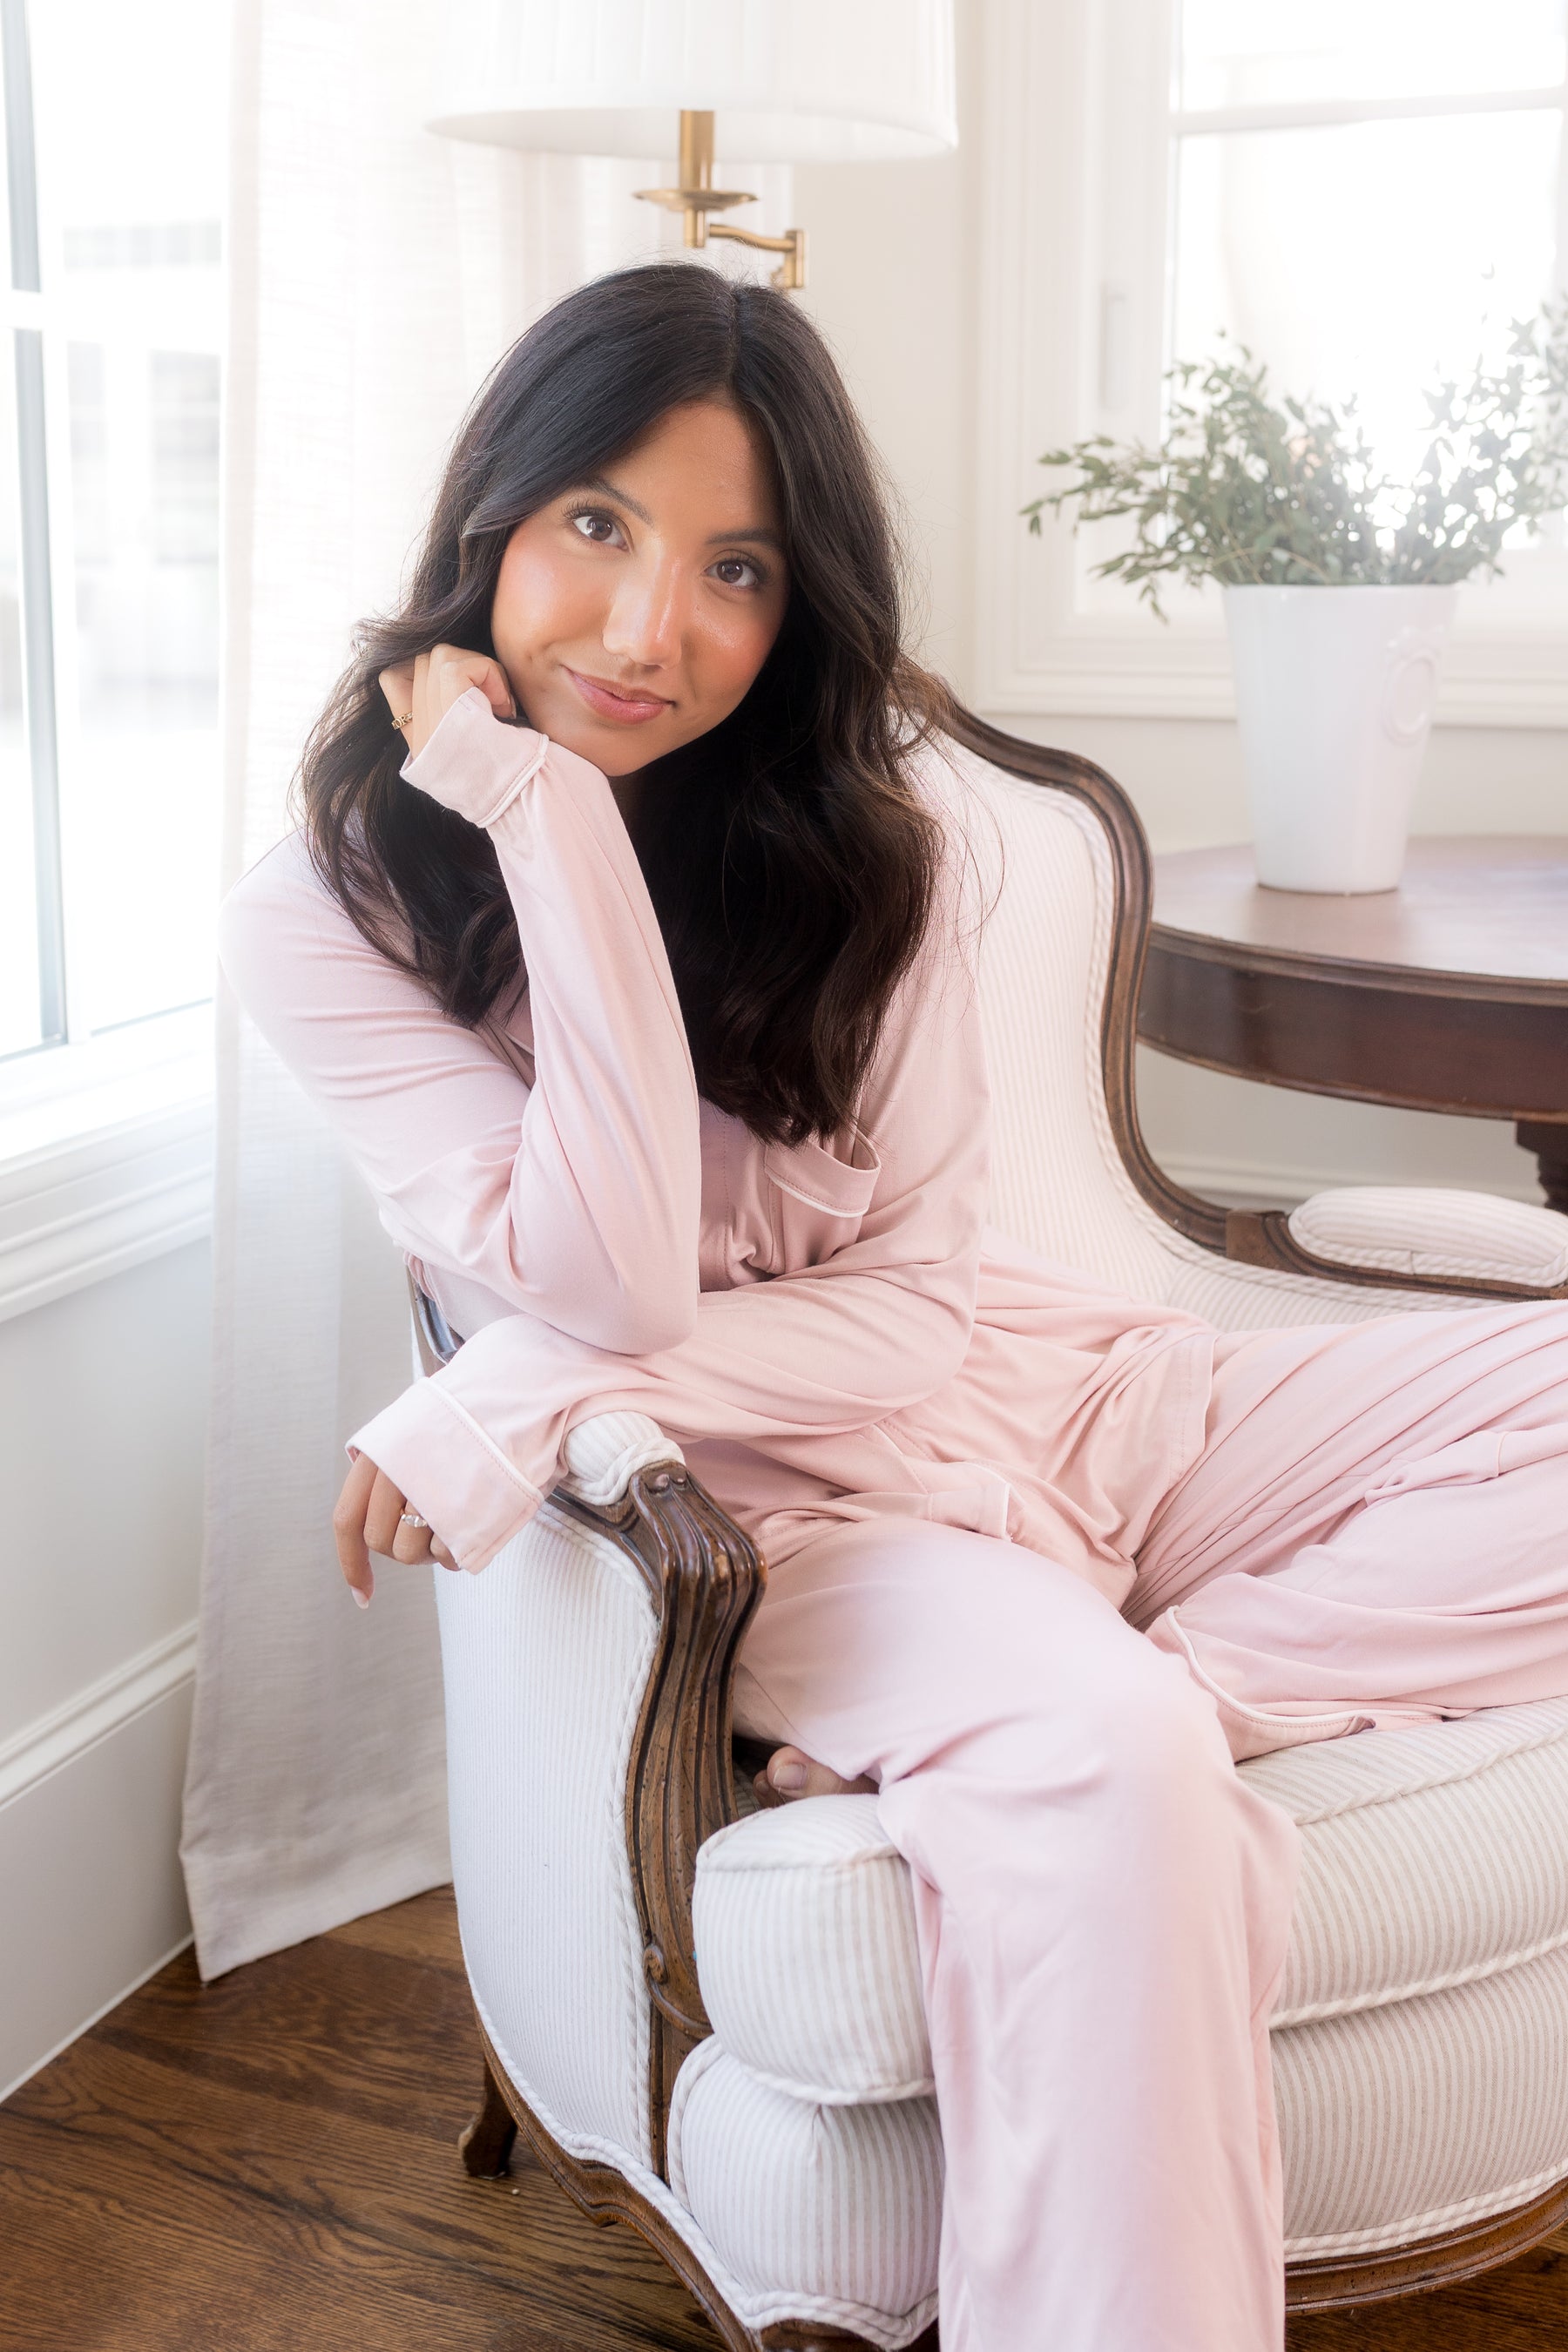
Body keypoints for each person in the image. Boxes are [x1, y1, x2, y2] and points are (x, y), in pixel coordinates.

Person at [218, 261, 1568, 2352]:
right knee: (1108, 1765)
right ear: (489, 518)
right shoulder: (336, 914)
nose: (649, 628)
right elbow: (609, 1269)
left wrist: (507, 1393)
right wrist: (545, 821)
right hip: (792, 1524)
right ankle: (1072, 1730)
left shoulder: (877, 855)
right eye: (596, 524)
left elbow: (922, 1317)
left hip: (1059, 1401)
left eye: (736, 568)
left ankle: (1131, 1694)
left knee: (1143, 1704)